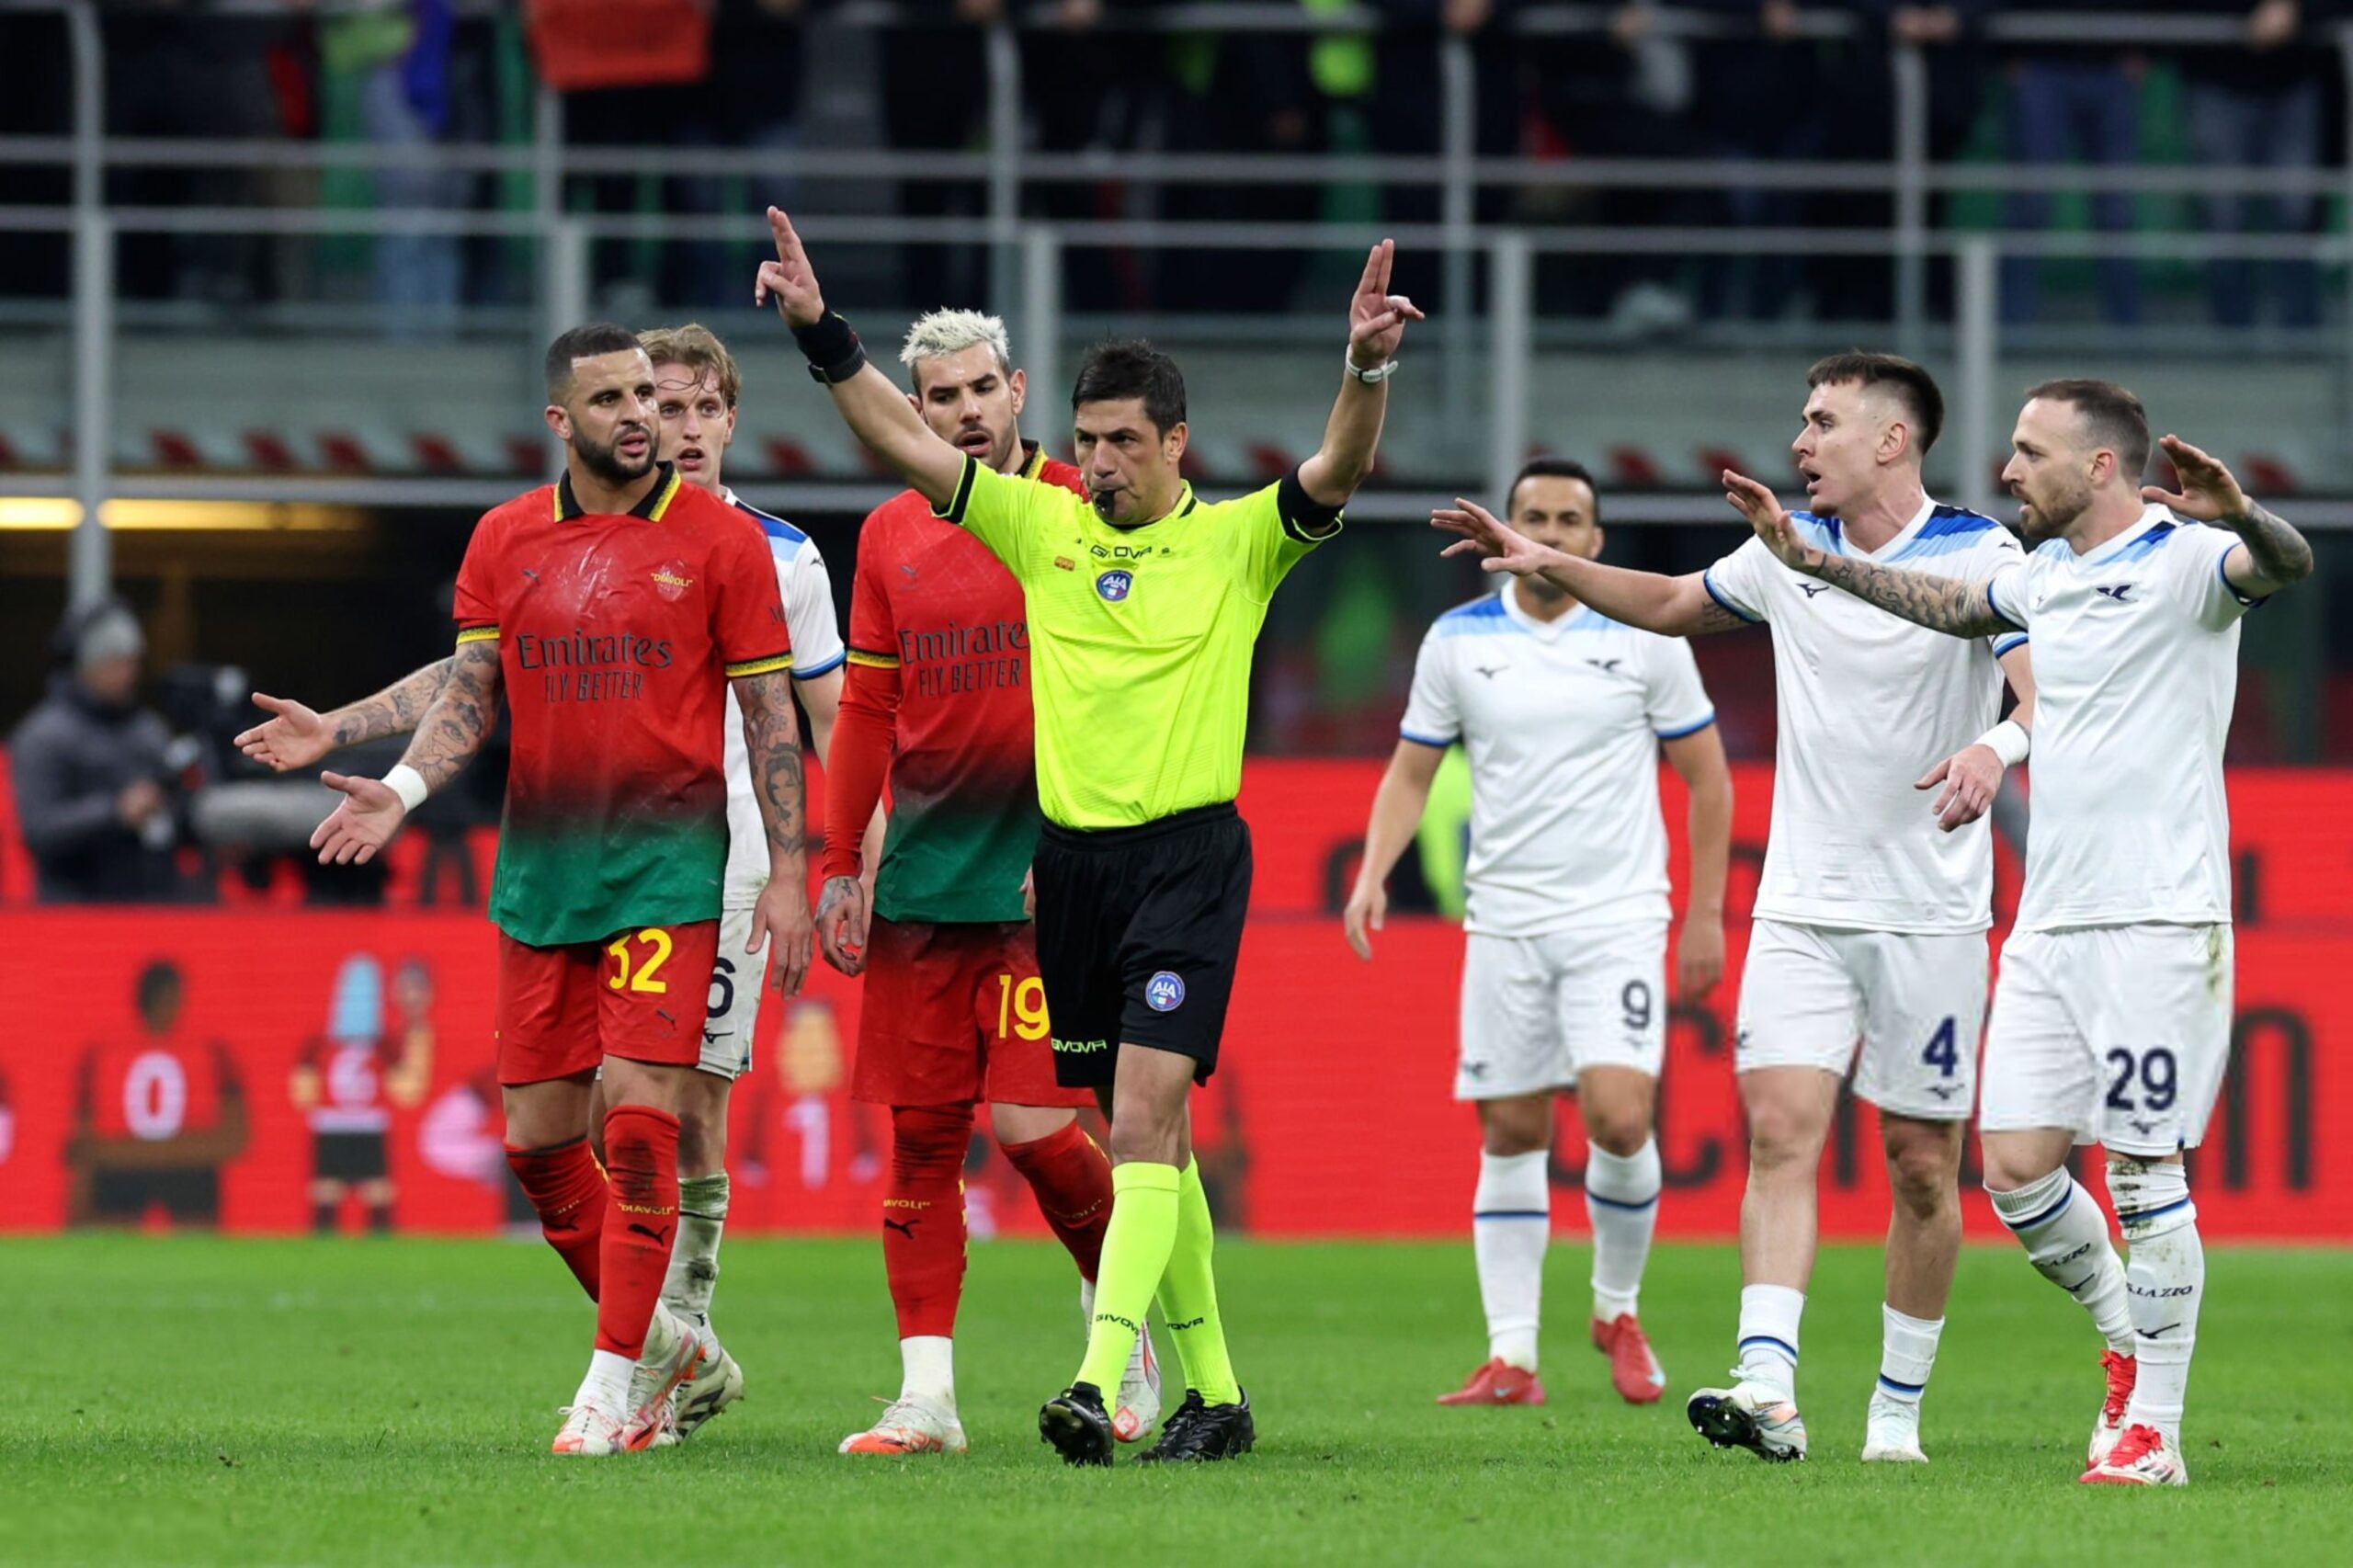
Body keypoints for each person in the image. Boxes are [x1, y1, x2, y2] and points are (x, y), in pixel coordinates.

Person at [757, 206, 1420, 1463]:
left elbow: (1337, 466)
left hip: (1183, 858)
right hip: (1069, 871)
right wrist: (820, 334)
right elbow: (897, 442)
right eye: (1090, 440)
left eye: (1125, 441)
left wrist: (1367, 367)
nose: (1101, 461)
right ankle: (1210, 1392)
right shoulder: (1033, 527)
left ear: (1175, 443)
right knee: (1143, 1133)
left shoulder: (1236, 541)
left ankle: (1098, 1367)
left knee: (1124, 1124)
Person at [236, 321, 844, 1443]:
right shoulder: (506, 538)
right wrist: (401, 787)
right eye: (612, 397)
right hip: (543, 871)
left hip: (673, 862)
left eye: (648, 398)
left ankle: (611, 1388)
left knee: (649, 1116)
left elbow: (775, 716)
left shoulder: (725, 544)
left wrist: (799, 869)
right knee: (538, 1141)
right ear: (561, 419)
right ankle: (678, 1348)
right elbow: (472, 685)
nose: (640, 415)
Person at [1433, 352, 2036, 1465]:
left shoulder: (1980, 553)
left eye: (1821, 422)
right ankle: (1767, 1383)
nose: (1800, 441)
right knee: (1778, 1133)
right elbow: (1666, 603)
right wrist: (1541, 558)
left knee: (1917, 1163)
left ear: (1891, 439)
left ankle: (1895, 1411)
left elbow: (2035, 685)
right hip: (1801, 903)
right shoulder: (1780, 557)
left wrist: (1996, 748)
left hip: (1931, 912)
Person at [1723, 379, 2312, 1485]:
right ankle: (2128, 1335)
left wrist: (2244, 516)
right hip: (2048, 919)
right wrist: (1814, 564)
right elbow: (1947, 607)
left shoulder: (2188, 557)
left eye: (2028, 452)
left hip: (2158, 913)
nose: (2004, 470)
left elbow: (2282, 567)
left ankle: (2154, 1430)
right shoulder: (2039, 577)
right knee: (2017, 1172)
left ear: (2098, 466)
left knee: (2142, 1169)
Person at [814, 309, 1159, 1458]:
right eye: (938, 396)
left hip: (1050, 879)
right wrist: (836, 858)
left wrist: (1082, 841)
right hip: (923, 878)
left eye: (979, 389)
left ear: (1017, 389)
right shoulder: (888, 537)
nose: (962, 410)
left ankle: (1119, 1335)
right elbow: (866, 708)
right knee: (919, 1137)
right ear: (915, 408)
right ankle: (927, 1397)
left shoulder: (1086, 506)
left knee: (1031, 1125)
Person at [1346, 456, 1733, 1410]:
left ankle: (1616, 1306)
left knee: (1618, 1115)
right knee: (1512, 1127)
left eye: (1568, 519)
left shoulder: (1645, 633)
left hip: (1616, 916)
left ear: (1595, 542)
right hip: (1504, 919)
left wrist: (1707, 914)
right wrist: (1370, 870)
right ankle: (1512, 1354)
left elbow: (1710, 778)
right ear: (1498, 531)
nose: (1549, 532)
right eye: (1532, 515)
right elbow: (1408, 771)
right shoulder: (1458, 641)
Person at [11, 599, 185, 903]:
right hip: (73, 914)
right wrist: (115, 812)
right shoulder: (43, 736)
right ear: (85, 667)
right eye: (115, 663)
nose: (128, 674)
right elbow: (39, 829)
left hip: (151, 908)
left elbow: (182, 816)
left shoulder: (149, 729)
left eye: (133, 663)